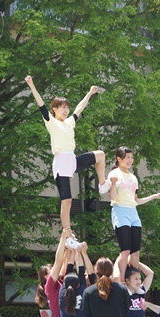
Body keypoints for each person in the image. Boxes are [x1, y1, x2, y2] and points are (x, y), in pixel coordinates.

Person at [24, 75, 110, 232]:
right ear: (55, 109)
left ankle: (103, 184)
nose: (66, 110)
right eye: (62, 107)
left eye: (67, 107)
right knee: (67, 200)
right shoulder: (51, 121)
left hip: (72, 159)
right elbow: (41, 104)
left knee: (100, 155)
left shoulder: (70, 122)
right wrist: (31, 85)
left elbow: (79, 108)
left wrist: (90, 93)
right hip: (61, 162)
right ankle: (67, 232)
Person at [106, 147, 160, 283]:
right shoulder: (114, 174)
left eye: (131, 157)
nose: (130, 160)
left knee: (135, 252)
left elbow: (136, 200)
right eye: (127, 157)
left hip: (133, 212)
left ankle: (135, 281)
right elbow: (112, 197)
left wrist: (153, 197)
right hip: (120, 211)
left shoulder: (133, 177)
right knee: (125, 250)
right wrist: (113, 184)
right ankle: (123, 281)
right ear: (119, 159)